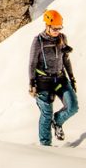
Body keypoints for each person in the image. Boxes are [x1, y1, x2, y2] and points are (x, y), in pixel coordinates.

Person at [28, 9, 78, 146]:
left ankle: (57, 121)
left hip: (60, 78)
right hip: (43, 82)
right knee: (46, 114)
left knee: (72, 106)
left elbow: (66, 60)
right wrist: (32, 83)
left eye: (59, 28)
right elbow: (32, 63)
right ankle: (45, 146)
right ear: (47, 26)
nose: (57, 30)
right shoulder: (38, 41)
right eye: (54, 28)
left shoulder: (62, 38)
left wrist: (72, 78)